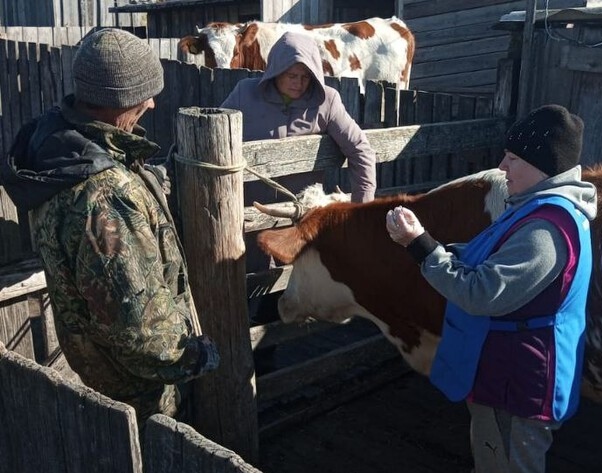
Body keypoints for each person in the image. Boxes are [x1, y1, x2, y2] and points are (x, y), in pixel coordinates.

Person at [0, 28, 219, 429]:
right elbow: (140, 329)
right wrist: (195, 355)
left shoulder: (59, 149)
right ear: (117, 99)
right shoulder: (104, 199)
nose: (152, 103)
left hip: (99, 364)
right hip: (142, 390)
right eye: (144, 94)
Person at [385, 104, 597, 473]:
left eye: (513, 157)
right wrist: (436, 247)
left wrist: (422, 247)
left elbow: (480, 294)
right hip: (508, 374)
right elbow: (495, 255)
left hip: (515, 385)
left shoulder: (544, 232)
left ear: (542, 165)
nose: (502, 166)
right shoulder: (538, 209)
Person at [220, 30, 377, 204]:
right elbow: (216, 138)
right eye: (292, 76)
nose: (299, 83)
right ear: (276, 71)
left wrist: (362, 206)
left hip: (305, 216)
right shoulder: (245, 93)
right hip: (250, 211)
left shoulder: (327, 101)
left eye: (306, 77)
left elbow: (359, 148)